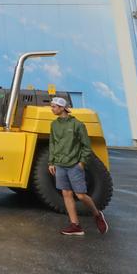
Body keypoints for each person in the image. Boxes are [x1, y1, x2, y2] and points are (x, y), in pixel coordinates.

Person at [48, 96, 108, 236]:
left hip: (74, 164)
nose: (52, 109)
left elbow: (87, 146)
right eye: (52, 106)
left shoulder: (78, 125)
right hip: (60, 164)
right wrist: (51, 161)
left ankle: (97, 214)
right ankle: (75, 225)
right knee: (66, 194)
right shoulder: (54, 125)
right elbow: (52, 143)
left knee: (80, 195)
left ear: (63, 108)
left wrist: (81, 163)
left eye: (54, 106)